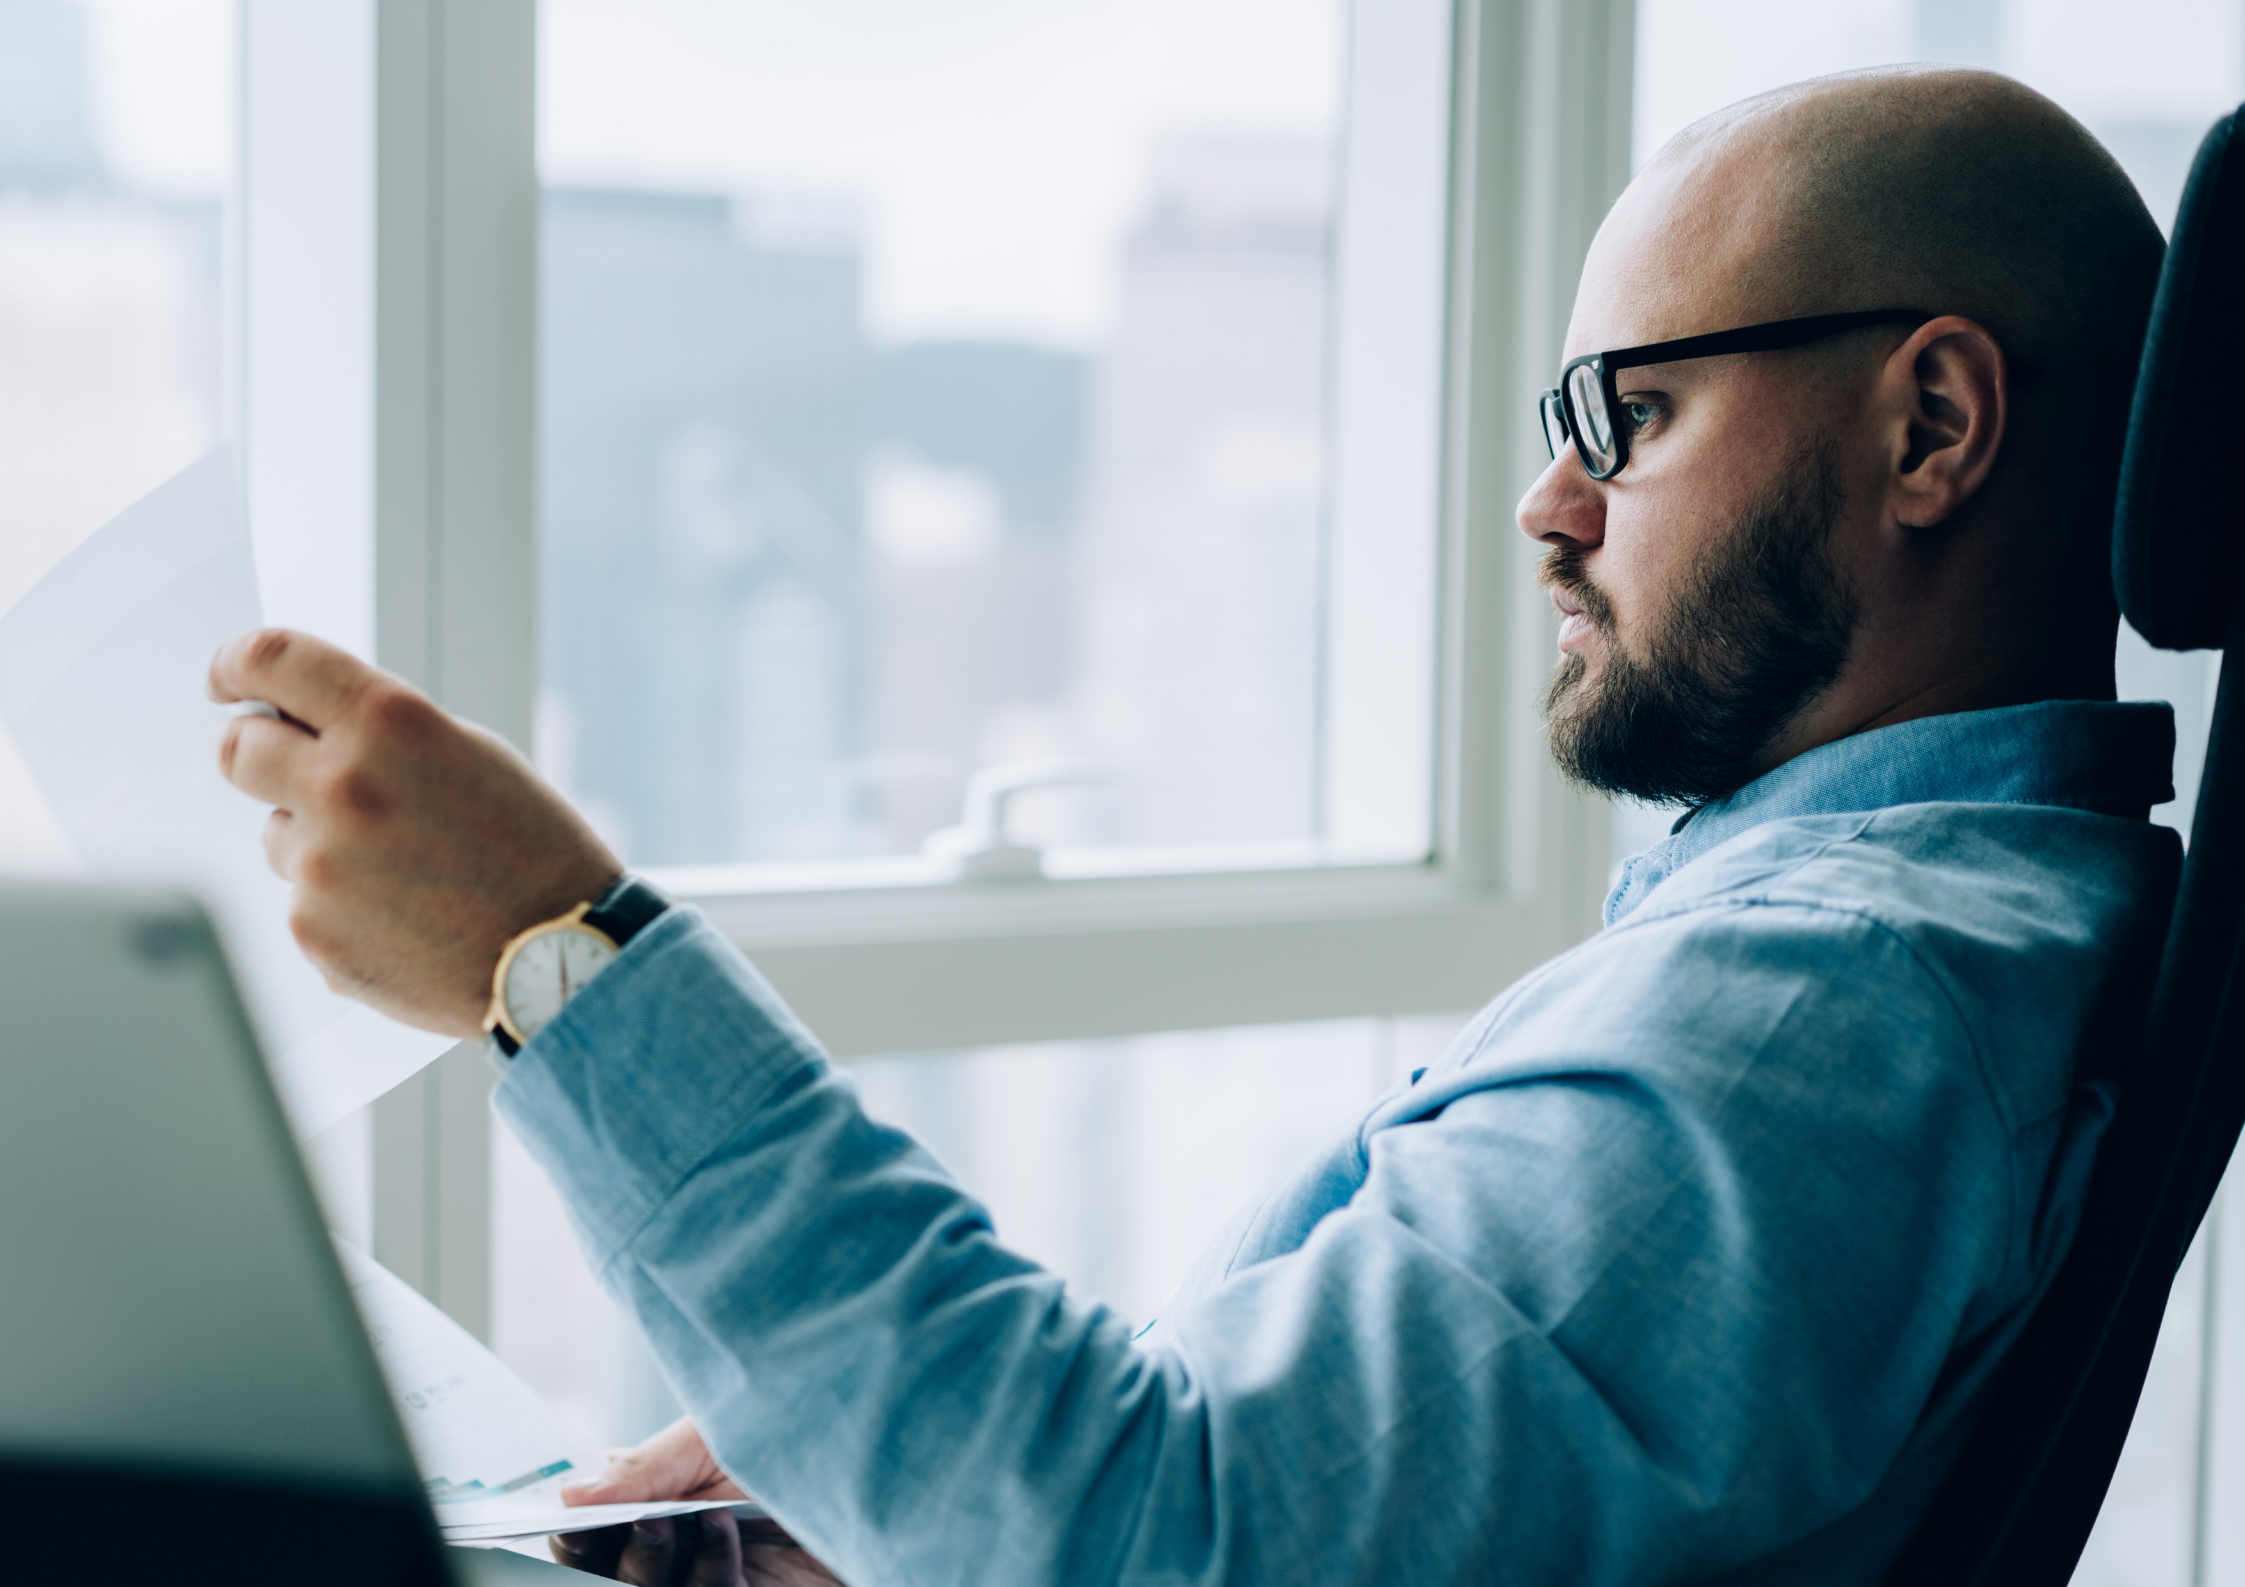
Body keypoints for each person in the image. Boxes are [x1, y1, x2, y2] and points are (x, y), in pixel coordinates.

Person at [211, 65, 2179, 1585]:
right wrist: (896, 1487)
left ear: (1931, 428)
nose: (1548, 506)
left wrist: (559, 954)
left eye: (1622, 417)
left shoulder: (1827, 1013)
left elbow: (1161, 1541)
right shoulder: (1902, 953)